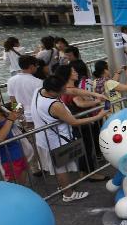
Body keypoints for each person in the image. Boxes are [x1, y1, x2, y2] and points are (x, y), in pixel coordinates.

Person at [31, 74, 109, 202]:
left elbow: (71, 90)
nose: (64, 92)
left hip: (45, 137)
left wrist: (96, 95)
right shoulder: (55, 105)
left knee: (60, 167)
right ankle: (68, 194)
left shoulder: (40, 90)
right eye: (61, 91)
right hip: (56, 141)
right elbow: (73, 122)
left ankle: (63, 187)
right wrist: (99, 116)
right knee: (61, 168)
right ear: (53, 91)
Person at [55, 64, 108, 181]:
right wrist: (96, 102)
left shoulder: (68, 88)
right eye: (73, 71)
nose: (76, 72)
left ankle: (84, 173)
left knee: (84, 148)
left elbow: (79, 93)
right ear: (68, 75)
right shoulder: (69, 89)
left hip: (78, 122)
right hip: (81, 122)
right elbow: (80, 103)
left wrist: (95, 97)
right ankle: (90, 173)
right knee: (87, 148)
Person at [7, 55, 44, 127]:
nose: (37, 68)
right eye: (36, 66)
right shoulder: (38, 82)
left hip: (25, 117)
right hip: (38, 115)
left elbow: (13, 101)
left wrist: (18, 114)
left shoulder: (11, 81)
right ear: (31, 66)